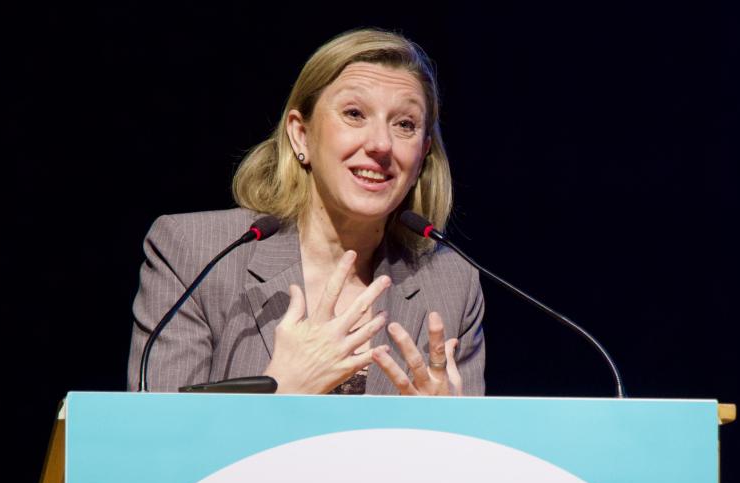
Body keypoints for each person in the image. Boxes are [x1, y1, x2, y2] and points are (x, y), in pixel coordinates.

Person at [127, 29, 484, 395]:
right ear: (301, 135)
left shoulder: (452, 284)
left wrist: (446, 433)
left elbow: (477, 449)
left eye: (405, 124)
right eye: (355, 114)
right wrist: (284, 392)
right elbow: (158, 443)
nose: (381, 144)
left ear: (422, 154)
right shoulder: (195, 254)